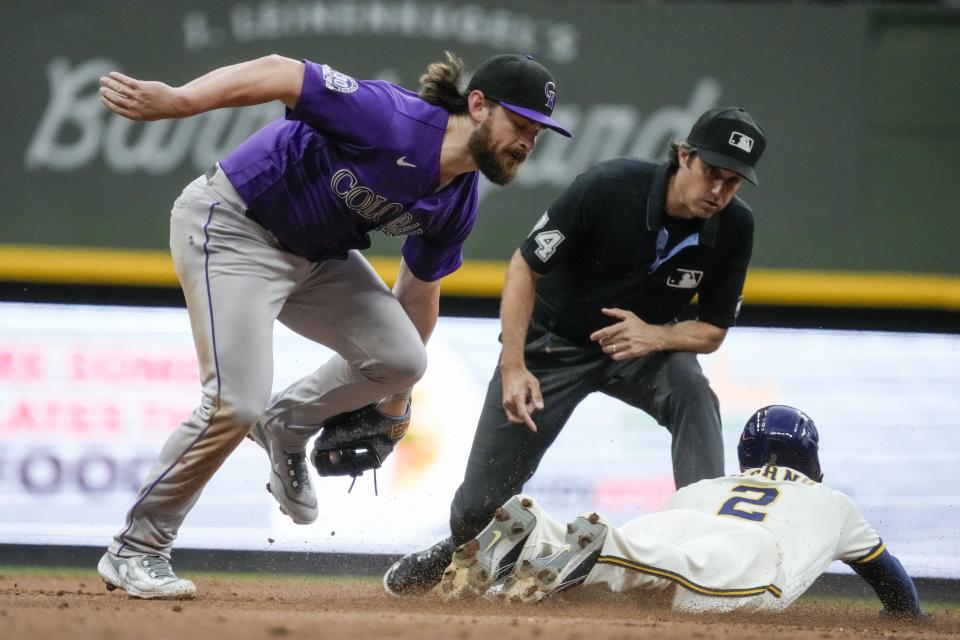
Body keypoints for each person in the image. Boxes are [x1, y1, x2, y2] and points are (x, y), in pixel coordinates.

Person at [94, 51, 571, 600]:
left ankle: (286, 426)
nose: (527, 142)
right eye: (521, 123)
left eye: (538, 133)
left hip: (317, 258)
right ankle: (137, 548)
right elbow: (280, 72)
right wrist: (179, 101)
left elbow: (417, 296)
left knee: (403, 360)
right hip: (232, 226)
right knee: (233, 402)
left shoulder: (458, 201)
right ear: (478, 105)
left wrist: (397, 403)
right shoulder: (392, 118)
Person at [384, 106, 767, 596]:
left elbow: (712, 330)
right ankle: (462, 544)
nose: (718, 192)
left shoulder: (735, 226)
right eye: (712, 172)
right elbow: (524, 267)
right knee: (480, 505)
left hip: (642, 348)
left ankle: (707, 552)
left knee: (693, 394)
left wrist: (658, 336)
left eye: (732, 182)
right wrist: (514, 364)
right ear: (683, 156)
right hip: (552, 345)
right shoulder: (608, 187)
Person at [436, 405, 929, 619]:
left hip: (668, 524)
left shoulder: (707, 484)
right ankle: (600, 549)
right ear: (812, 460)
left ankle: (537, 535)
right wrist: (907, 617)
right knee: (683, 575)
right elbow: (892, 582)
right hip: (752, 548)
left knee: (639, 567)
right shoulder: (834, 503)